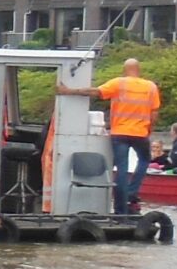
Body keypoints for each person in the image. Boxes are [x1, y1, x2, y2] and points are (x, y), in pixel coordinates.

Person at [58, 57, 162, 215]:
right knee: (144, 159)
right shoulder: (151, 87)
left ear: (124, 70)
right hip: (140, 133)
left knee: (121, 169)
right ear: (139, 70)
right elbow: (154, 113)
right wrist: (149, 130)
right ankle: (132, 192)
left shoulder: (118, 83)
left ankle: (120, 208)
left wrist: (69, 91)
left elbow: (94, 92)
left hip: (119, 133)